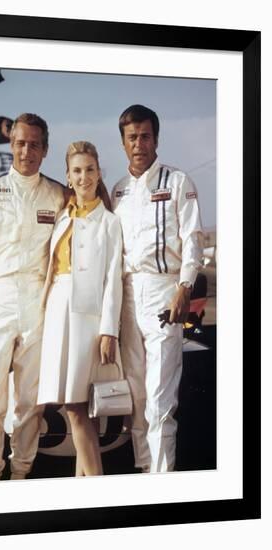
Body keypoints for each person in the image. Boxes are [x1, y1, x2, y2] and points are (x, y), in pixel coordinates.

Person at [0, 113, 65, 481]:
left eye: (35, 144)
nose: (27, 151)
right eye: (20, 143)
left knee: (28, 399)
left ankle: (21, 473)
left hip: (38, 301)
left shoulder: (58, 194)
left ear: (45, 149)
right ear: (11, 145)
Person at [111, 104, 204, 473]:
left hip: (165, 293)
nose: (139, 144)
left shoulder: (178, 182)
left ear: (156, 139)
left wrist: (185, 287)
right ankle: (143, 473)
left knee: (160, 399)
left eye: (145, 136)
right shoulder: (117, 191)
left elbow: (193, 239)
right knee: (136, 394)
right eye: (132, 137)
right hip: (128, 296)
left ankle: (163, 483)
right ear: (123, 142)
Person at [37, 141, 123, 476]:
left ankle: (99, 493)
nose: (84, 176)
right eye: (77, 171)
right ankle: (81, 492)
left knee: (77, 407)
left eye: (89, 169)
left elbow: (113, 280)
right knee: (77, 409)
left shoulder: (109, 223)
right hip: (58, 313)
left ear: (99, 172)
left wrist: (108, 330)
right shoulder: (62, 218)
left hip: (89, 320)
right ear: (68, 177)